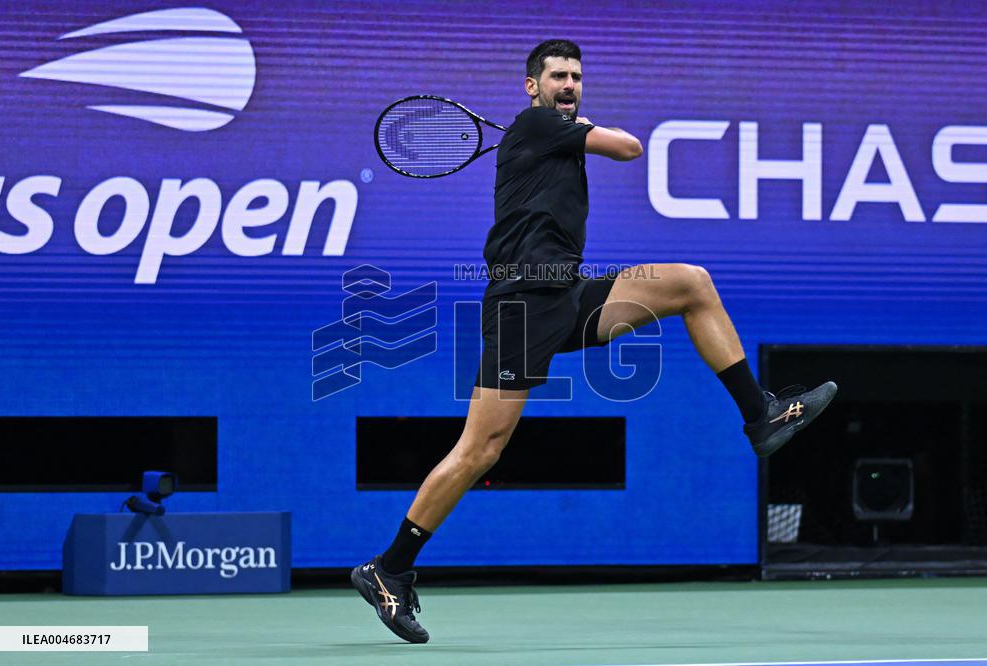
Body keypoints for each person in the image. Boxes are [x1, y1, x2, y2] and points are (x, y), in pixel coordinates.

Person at [351, 39, 837, 644]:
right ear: (531, 86)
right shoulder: (539, 123)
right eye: (558, 76)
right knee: (480, 451)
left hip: (568, 294)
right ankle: (388, 567)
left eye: (577, 77)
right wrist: (578, 123)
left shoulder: (549, 133)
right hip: (522, 306)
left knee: (691, 284)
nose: (570, 84)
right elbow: (631, 148)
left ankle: (760, 416)